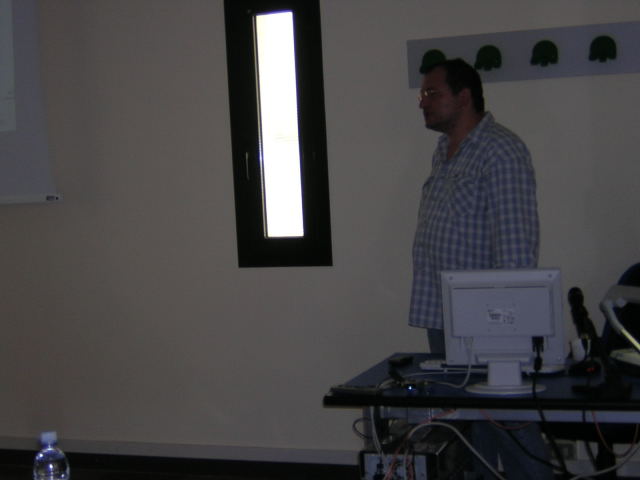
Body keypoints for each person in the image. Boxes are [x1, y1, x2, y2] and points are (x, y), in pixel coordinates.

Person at [408, 58, 553, 479]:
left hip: (487, 323)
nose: (422, 102)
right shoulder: (444, 151)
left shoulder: (500, 150)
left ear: (464, 96)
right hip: (443, 317)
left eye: (432, 93)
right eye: (422, 94)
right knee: (473, 429)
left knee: (510, 425)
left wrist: (505, 328)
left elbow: (516, 247)